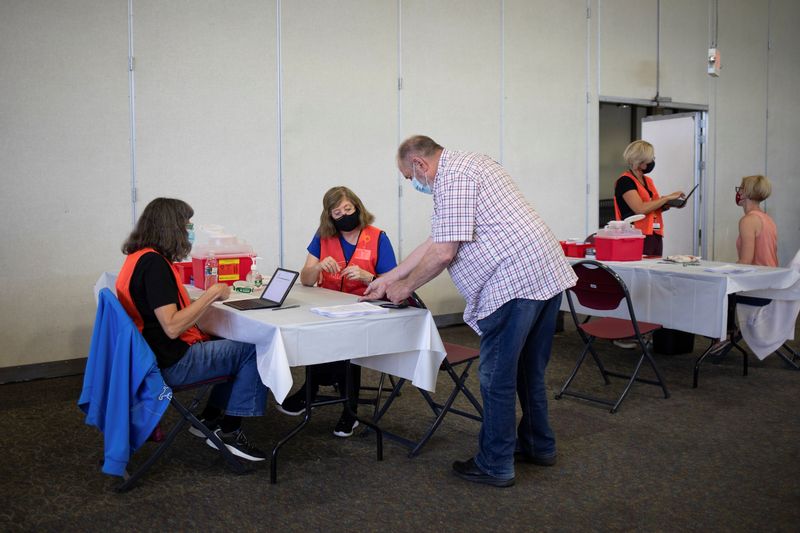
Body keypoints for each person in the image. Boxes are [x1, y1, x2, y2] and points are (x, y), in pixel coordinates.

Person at [362, 135, 577, 488]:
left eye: (409, 177)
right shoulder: (471, 164)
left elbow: (444, 252)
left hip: (515, 283)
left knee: (496, 378)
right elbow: (436, 239)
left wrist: (404, 289)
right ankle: (539, 446)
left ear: (420, 164)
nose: (414, 184)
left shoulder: (452, 178)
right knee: (527, 371)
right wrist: (389, 278)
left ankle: (495, 463)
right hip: (546, 274)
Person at [115, 197, 268, 462]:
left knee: (225, 338)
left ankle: (210, 417)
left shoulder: (137, 259)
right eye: (187, 225)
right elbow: (173, 326)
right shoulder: (155, 266)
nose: (190, 230)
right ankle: (230, 431)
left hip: (147, 355)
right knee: (254, 348)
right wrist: (211, 294)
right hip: (170, 363)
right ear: (171, 227)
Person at [275, 186, 398, 438]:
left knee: (347, 343)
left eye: (348, 209)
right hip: (328, 307)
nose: (344, 215)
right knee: (316, 333)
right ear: (329, 216)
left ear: (358, 207)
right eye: (337, 212)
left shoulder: (377, 237)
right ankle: (311, 390)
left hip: (365, 309)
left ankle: (348, 410)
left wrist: (369, 277)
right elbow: (307, 279)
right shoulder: (323, 236)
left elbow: (392, 283)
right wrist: (318, 266)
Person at [613, 140, 686, 256]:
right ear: (640, 161)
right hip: (635, 235)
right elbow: (640, 209)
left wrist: (670, 203)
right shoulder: (625, 181)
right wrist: (667, 198)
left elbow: (653, 205)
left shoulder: (648, 181)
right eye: (651, 159)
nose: (653, 161)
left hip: (654, 234)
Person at [735, 174, 778, 267]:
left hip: (757, 278)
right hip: (771, 276)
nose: (738, 192)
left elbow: (746, 262)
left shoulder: (748, 221)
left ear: (745, 192)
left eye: (740, 188)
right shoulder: (768, 219)